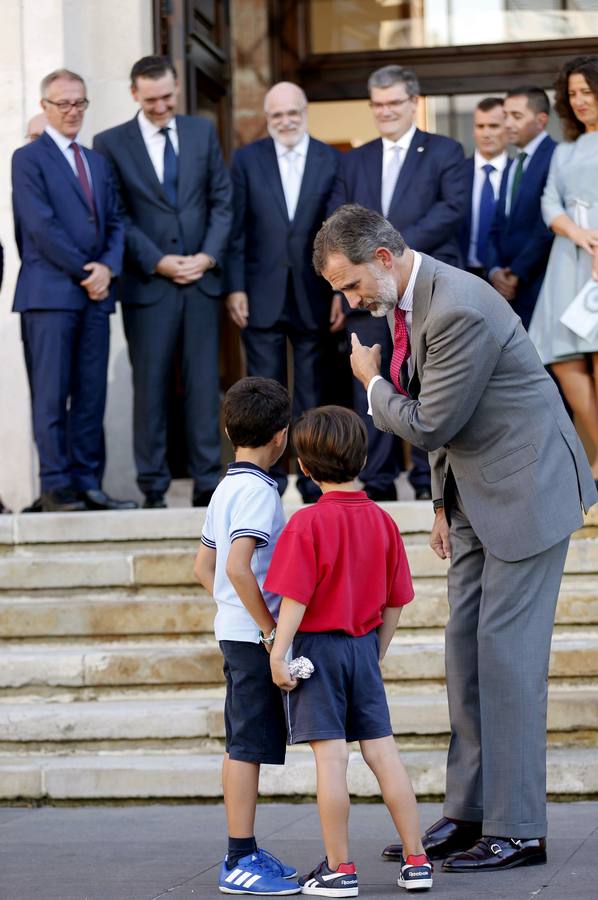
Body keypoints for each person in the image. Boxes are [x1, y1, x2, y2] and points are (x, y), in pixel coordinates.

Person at [312, 204, 597, 873]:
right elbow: (451, 417)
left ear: (382, 258)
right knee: (465, 658)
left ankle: (520, 829)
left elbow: (434, 419)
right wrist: (441, 504)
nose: (350, 302)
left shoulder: (458, 307)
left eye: (350, 286)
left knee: (507, 664)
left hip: (526, 494)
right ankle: (469, 813)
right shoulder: (406, 302)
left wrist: (373, 384)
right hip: (473, 496)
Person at [265, 405, 432, 894]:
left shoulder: (306, 524)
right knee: (385, 755)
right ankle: (417, 859)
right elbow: (396, 601)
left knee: (331, 761)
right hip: (363, 646)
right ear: (362, 461)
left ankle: (339, 868)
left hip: (316, 651)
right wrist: (375, 652)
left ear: (306, 468)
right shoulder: (383, 521)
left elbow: (295, 598)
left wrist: (278, 653)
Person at [94, 55, 232, 509]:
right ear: (134, 94)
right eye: (151, 99)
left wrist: (207, 257)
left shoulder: (200, 132)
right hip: (148, 286)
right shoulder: (110, 143)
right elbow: (116, 215)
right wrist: (158, 261)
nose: (161, 106)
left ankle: (208, 480)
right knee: (149, 387)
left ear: (176, 89)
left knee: (202, 384)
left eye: (168, 97)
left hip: (200, 283)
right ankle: (152, 486)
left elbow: (221, 201)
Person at [328, 65, 467, 502]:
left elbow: (453, 209)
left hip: (424, 288)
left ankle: (431, 482)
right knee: (372, 381)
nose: (385, 111)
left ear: (413, 101)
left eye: (394, 103)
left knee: (426, 380)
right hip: (369, 297)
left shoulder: (445, 151)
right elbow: (338, 220)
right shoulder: (355, 159)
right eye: (378, 104)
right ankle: (379, 481)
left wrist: (393, 252)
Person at [194, 377, 300, 896]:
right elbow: (237, 567)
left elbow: (203, 566)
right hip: (251, 638)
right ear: (281, 436)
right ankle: (238, 857)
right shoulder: (259, 490)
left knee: (245, 741)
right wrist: (268, 628)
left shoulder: (226, 486)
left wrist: (233, 612)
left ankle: (246, 850)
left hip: (232, 631)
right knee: (246, 747)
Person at [11, 69, 136, 513]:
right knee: (50, 395)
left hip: (95, 298)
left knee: (90, 395)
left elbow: (117, 220)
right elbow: (39, 226)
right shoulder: (27, 159)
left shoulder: (96, 161)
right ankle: (56, 486)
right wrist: (89, 270)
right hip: (49, 296)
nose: (72, 111)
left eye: (79, 103)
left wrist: (108, 267)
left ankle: (88, 484)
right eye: (62, 103)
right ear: (44, 107)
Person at [225, 82, 342, 503]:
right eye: (277, 115)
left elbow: (337, 233)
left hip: (313, 291)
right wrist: (235, 286)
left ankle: (312, 480)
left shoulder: (331, 159)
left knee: (312, 390)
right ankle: (265, 482)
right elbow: (236, 229)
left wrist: (338, 290)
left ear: (305, 111)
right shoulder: (246, 159)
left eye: (292, 112)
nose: (286, 121)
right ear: (267, 117)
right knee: (263, 391)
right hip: (261, 291)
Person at [528, 55, 598, 484]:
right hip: (569, 259)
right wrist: (578, 234)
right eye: (572, 94)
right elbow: (549, 201)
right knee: (564, 360)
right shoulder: (565, 149)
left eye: (587, 91)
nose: (579, 101)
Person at [486, 86, 556, 330]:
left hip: (539, 281)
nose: (508, 124)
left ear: (541, 120)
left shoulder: (556, 156)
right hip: (505, 287)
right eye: (505, 116)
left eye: (516, 116)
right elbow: (497, 224)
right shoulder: (512, 164)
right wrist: (495, 270)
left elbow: (547, 224)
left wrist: (516, 273)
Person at [459, 98, 510, 278]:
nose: (486, 133)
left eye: (494, 126)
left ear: (508, 128)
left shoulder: (519, 174)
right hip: (461, 273)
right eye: (480, 126)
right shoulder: (456, 172)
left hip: (506, 276)